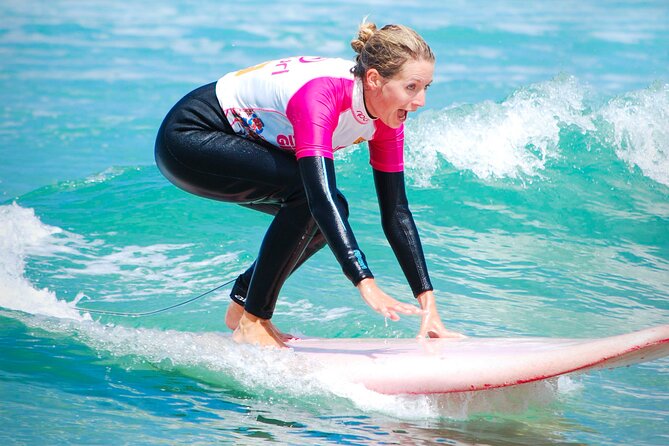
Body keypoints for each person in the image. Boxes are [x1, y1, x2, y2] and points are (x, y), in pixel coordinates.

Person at [155, 22, 463, 347]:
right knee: (310, 198)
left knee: (326, 210)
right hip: (190, 138)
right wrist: (364, 280)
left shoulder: (388, 116)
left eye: (427, 86)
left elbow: (396, 214)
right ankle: (254, 320)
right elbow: (319, 196)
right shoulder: (322, 97)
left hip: (242, 142)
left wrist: (429, 307)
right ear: (374, 79)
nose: (421, 101)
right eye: (412, 87)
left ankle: (245, 307)